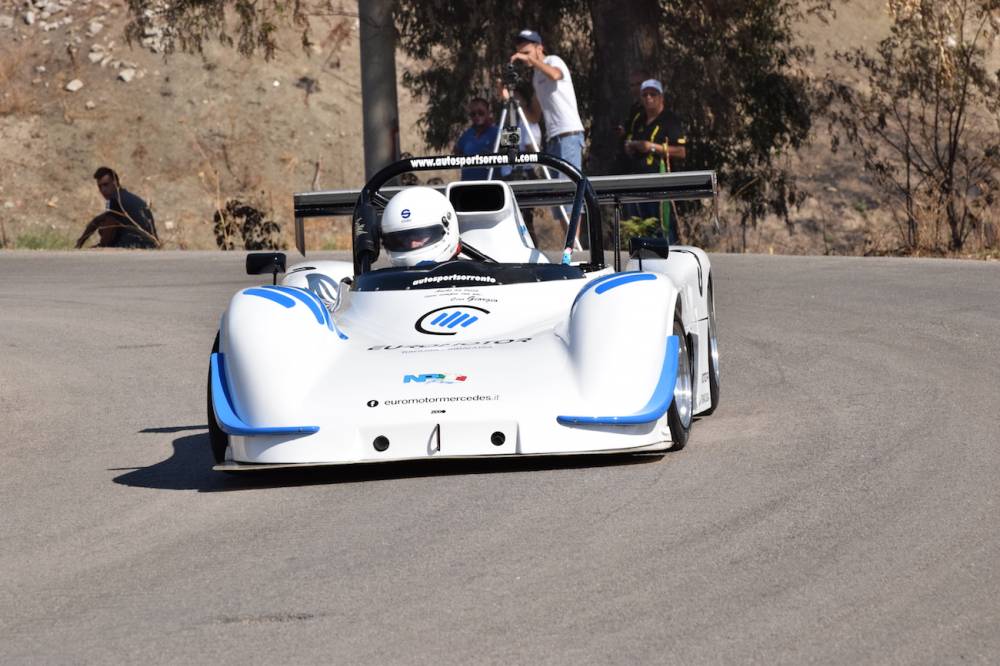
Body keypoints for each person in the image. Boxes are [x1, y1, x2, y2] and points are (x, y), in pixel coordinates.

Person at [507, 29, 585, 172]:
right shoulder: (536, 77)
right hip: (552, 139)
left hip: (568, 134)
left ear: (539, 48)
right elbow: (534, 117)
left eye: (527, 53)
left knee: (568, 186)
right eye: (521, 54)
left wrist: (532, 60)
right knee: (557, 190)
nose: (523, 58)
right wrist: (516, 101)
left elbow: (555, 75)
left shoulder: (553, 61)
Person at [623, 79, 687, 243]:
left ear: (661, 97)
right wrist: (630, 147)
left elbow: (681, 152)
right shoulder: (638, 118)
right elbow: (629, 138)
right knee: (640, 226)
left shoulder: (669, 120)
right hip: (637, 179)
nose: (648, 98)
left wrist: (652, 147)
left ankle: (669, 252)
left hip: (659, 180)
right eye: (645, 95)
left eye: (653, 94)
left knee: (661, 224)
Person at [75, 167, 159, 248]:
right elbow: (98, 220)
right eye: (100, 187)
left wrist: (101, 246)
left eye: (106, 185)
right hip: (151, 245)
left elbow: (109, 228)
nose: (103, 190)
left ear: (115, 183)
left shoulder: (116, 200)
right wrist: (81, 241)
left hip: (135, 246)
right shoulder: (125, 197)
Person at [380, 187, 460, 267]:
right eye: (402, 240)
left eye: (419, 236)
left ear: (447, 227)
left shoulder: (469, 273)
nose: (412, 244)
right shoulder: (385, 278)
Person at [454, 97, 501, 180]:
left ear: (488, 113)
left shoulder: (499, 132)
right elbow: (457, 152)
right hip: (467, 185)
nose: (477, 116)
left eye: (481, 113)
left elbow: (511, 156)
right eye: (473, 114)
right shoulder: (466, 134)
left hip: (491, 185)